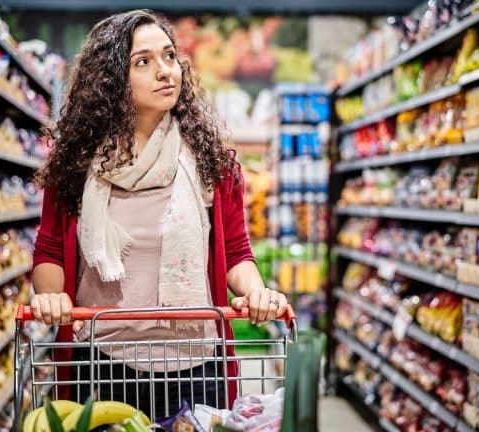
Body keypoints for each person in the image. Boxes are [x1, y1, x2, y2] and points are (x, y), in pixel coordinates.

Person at [29, 9, 288, 418]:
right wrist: (51, 297)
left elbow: (236, 250)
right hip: (103, 364)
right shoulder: (76, 165)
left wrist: (255, 290)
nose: (165, 71)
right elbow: (47, 250)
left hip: (196, 364)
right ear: (112, 79)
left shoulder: (211, 161)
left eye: (169, 56)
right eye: (143, 62)